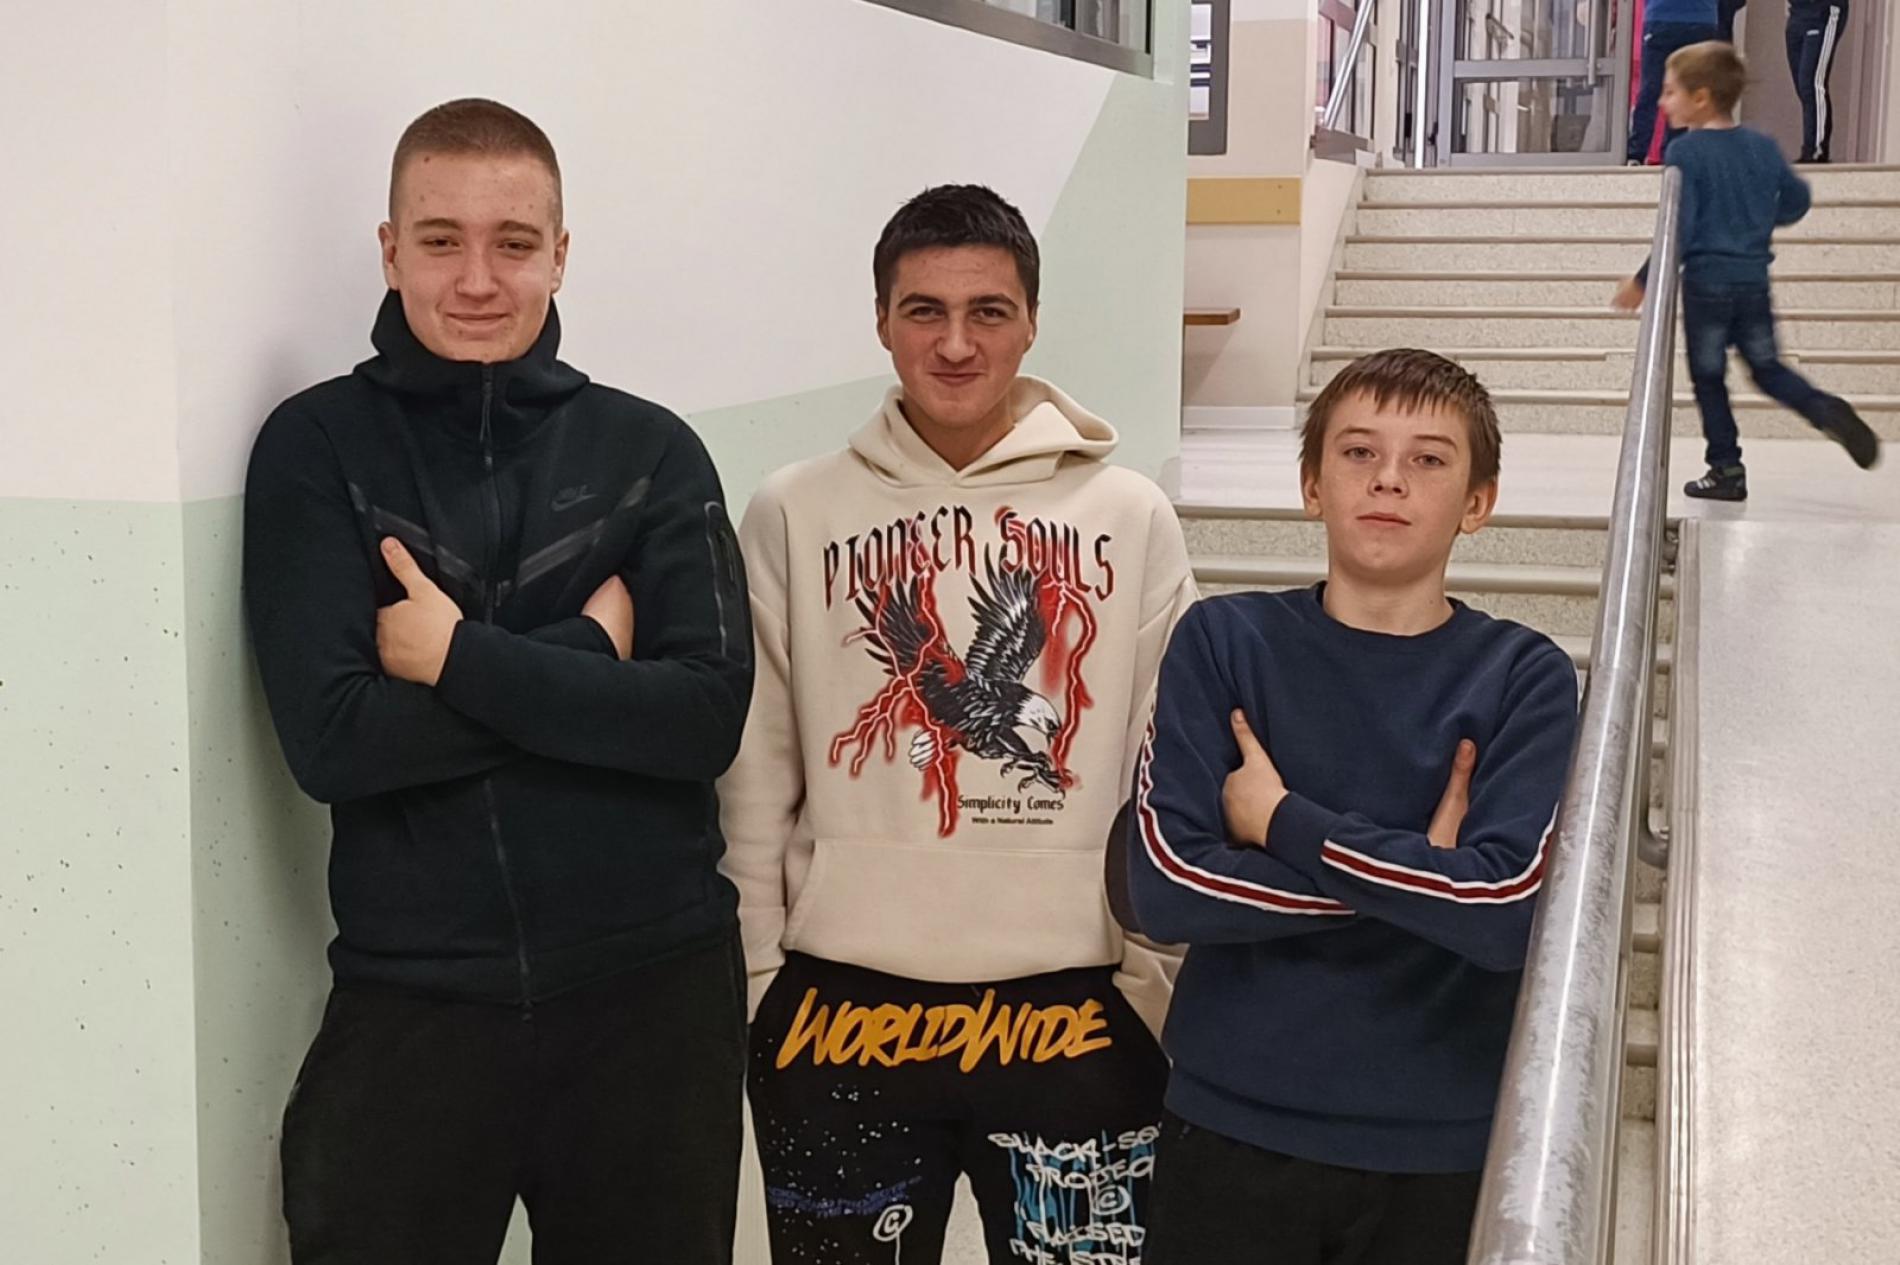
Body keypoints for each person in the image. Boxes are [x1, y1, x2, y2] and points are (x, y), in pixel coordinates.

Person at [244, 99, 754, 1264]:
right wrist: (586, 651)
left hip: (653, 994)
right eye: (441, 240)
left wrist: (455, 657)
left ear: (559, 254)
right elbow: (336, 739)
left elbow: (701, 716)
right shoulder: (316, 448)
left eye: (513, 243)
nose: (477, 279)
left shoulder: (651, 452)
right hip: (414, 999)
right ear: (390, 250)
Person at [719, 184, 1196, 1264]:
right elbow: (755, 767)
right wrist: (758, 984)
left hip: (1076, 1012)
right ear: (881, 322)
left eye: (987, 311)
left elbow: (1167, 763)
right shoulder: (794, 509)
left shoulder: (1128, 514)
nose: (954, 343)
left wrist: (1150, 978)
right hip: (838, 1013)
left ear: (1031, 322)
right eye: (923, 310)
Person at [1127, 348, 1581, 1265]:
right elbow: (1164, 887)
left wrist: (1281, 822)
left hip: (1437, 1146)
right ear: (1312, 486)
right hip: (1230, 1125)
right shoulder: (1225, 641)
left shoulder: (1523, 675)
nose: (1388, 478)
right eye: (1359, 451)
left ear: (1479, 502)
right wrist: (1421, 875)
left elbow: (1502, 913)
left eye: (1429, 459)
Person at [1614, 42, 1880, 500]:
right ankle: (1825, 410)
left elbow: (1680, 229)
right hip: (1753, 283)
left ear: (1701, 97)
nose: (1661, 101)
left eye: (1671, 91)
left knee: (1709, 377)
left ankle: (1726, 469)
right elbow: (1797, 199)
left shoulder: (1686, 153)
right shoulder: (1761, 146)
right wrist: (1757, 220)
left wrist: (1642, 282)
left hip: (1707, 286)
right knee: (1767, 368)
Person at [1628, 0, 1719, 166]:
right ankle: (1673, 152)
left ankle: (1636, 153)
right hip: (1702, 19)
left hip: (1662, 16)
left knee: (1651, 89)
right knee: (1690, 91)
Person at [1786, 1, 1849, 163]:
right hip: (1797, 13)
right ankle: (1814, 147)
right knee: (1803, 86)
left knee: (1811, 84)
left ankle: (1815, 150)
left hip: (1822, 12)